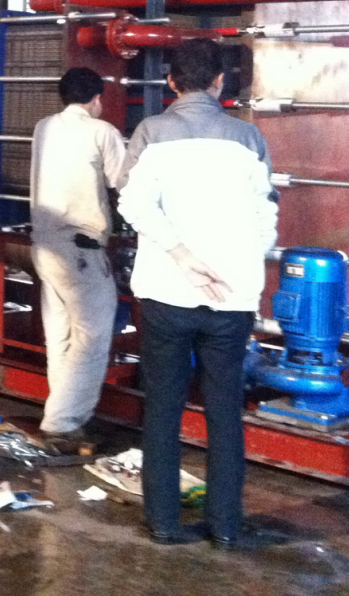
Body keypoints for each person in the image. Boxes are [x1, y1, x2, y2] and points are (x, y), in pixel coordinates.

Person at [117, 39, 278, 549]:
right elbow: (267, 215)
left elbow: (131, 203)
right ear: (219, 82)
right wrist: (238, 264)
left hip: (166, 294)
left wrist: (182, 255)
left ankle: (165, 523)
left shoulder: (151, 132)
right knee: (225, 411)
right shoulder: (248, 137)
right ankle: (226, 526)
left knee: (163, 409)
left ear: (171, 83)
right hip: (231, 298)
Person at [28, 66, 126, 454]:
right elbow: (124, 181)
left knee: (61, 335)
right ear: (97, 99)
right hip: (80, 249)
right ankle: (62, 422)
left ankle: (64, 413)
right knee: (93, 335)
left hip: (44, 244)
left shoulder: (44, 127)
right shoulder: (102, 131)